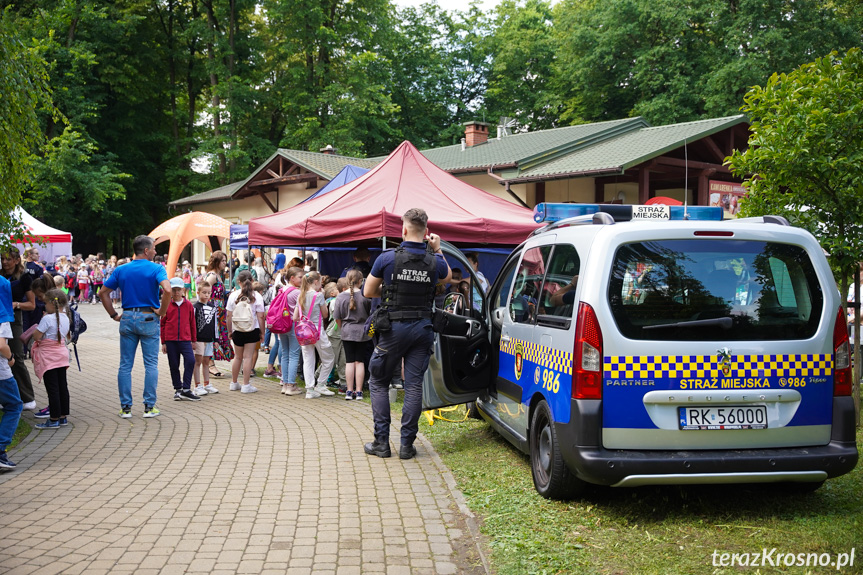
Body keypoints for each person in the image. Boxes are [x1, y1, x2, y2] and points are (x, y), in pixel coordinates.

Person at [362, 208, 451, 459]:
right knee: (413, 387)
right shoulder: (436, 259)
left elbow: (368, 292)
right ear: (426, 232)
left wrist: (392, 292)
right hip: (422, 328)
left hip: (393, 329)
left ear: (403, 229)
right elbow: (448, 278)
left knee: (379, 381)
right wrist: (438, 249)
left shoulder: (387, 258)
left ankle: (381, 443)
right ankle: (406, 445)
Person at [99, 235, 171, 419]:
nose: (155, 252)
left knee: (125, 365)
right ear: (146, 250)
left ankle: (125, 408)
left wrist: (114, 315)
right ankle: (149, 407)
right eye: (154, 248)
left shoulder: (121, 269)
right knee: (151, 364)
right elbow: (168, 290)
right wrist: (162, 311)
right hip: (149, 317)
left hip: (128, 316)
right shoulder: (156, 268)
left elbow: (103, 293)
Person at [1, 251, 37, 411]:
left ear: (16, 260)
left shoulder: (24, 277)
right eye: (2, 259)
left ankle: (27, 397)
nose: (5, 262)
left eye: (8, 259)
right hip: (1, 317)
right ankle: (6, 397)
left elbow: (32, 304)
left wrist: (16, 305)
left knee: (16, 356)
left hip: (14, 319)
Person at [31, 289, 72, 429]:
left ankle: (53, 418)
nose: (44, 306)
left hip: (49, 356)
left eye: (45, 303)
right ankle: (63, 417)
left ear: (51, 303)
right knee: (62, 386)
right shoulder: (66, 317)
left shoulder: (47, 319)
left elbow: (36, 336)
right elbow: (67, 336)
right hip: (61, 354)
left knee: (52, 388)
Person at [292, 271, 335, 398]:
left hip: (304, 331)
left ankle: (309, 389)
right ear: (316, 282)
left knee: (308, 360)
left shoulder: (301, 295)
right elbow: (325, 314)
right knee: (329, 357)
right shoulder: (319, 296)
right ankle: (321, 384)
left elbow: (295, 317)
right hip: (317, 330)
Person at [225, 270, 265, 393]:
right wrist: (262, 333)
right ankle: (246, 385)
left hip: (237, 329)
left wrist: (229, 331)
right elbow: (261, 316)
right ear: (252, 281)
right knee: (248, 357)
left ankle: (234, 382)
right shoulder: (257, 296)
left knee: (238, 357)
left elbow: (228, 315)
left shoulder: (233, 295)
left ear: (238, 282)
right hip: (252, 329)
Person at [334, 270, 372, 401]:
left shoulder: (340, 297)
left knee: (349, 361)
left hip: (346, 330)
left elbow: (337, 317)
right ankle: (359, 391)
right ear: (361, 281)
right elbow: (370, 315)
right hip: (362, 331)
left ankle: (349, 391)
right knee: (359, 361)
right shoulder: (365, 296)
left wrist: (342, 329)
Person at [161, 277, 199, 402]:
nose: (176, 293)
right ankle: (178, 388)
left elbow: (192, 323)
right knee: (174, 365)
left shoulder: (188, 305)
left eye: (179, 290)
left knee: (190, 360)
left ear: (183, 290)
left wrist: (193, 340)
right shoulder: (166, 304)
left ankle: (186, 389)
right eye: (174, 290)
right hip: (171, 340)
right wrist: (164, 342)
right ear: (170, 291)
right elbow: (163, 324)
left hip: (185, 339)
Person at [0, 272, 22, 469]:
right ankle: (0, 450)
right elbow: (1, 345)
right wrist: (11, 358)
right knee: (14, 405)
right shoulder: (2, 317)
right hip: (1, 373)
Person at [275, 267, 303, 395]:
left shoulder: (282, 290)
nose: (302, 280)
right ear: (292, 278)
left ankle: (285, 383)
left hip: (282, 325)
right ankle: (291, 385)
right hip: (293, 324)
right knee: (294, 355)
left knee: (285, 353)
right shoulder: (297, 293)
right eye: (300, 277)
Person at [204, 250, 234, 370]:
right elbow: (205, 290)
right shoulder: (212, 276)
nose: (225, 263)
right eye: (223, 261)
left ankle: (211, 363)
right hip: (214, 311)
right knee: (213, 335)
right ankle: (210, 365)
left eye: (225, 261)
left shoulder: (218, 275)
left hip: (220, 311)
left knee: (218, 335)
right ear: (216, 262)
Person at [315, 281, 345, 391]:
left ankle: (344, 383)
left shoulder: (337, 300)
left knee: (343, 360)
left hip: (341, 334)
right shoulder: (334, 302)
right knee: (331, 359)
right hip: (334, 333)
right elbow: (337, 317)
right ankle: (317, 377)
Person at [192, 281, 220, 396]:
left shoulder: (213, 307)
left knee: (206, 362)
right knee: (197, 362)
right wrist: (192, 339)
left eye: (209, 293)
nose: (207, 295)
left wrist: (216, 339)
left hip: (209, 339)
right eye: (204, 292)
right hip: (198, 339)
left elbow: (215, 324)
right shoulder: (195, 307)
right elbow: (192, 324)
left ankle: (207, 384)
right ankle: (197, 385)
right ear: (198, 293)